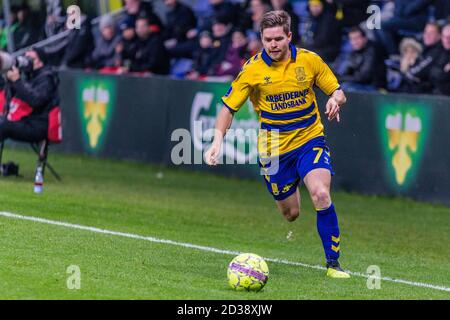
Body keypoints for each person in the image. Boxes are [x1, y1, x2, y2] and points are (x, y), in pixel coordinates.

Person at [205, 10, 350, 278]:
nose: (273, 44)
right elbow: (227, 107)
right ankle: (291, 192)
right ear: (261, 38)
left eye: (278, 39)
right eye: (268, 39)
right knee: (291, 214)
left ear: (289, 37)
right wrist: (216, 142)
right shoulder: (252, 70)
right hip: (273, 149)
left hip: (310, 140)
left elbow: (337, 91)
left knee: (320, 193)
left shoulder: (309, 61)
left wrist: (334, 100)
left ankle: (333, 264)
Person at [0, 49, 59, 144]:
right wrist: (11, 80)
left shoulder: (47, 79)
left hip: (38, 125)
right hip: (25, 120)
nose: (28, 62)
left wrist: (17, 81)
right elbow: (10, 97)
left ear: (41, 62)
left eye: (32, 59)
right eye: (26, 58)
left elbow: (36, 101)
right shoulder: (29, 76)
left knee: (3, 125)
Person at [337, 26, 379, 92]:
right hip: (357, 84)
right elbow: (346, 71)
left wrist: (341, 79)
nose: (354, 42)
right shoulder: (354, 51)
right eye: (352, 39)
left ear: (365, 38)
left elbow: (363, 77)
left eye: (357, 38)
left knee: (345, 87)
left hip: (374, 87)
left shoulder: (373, 51)